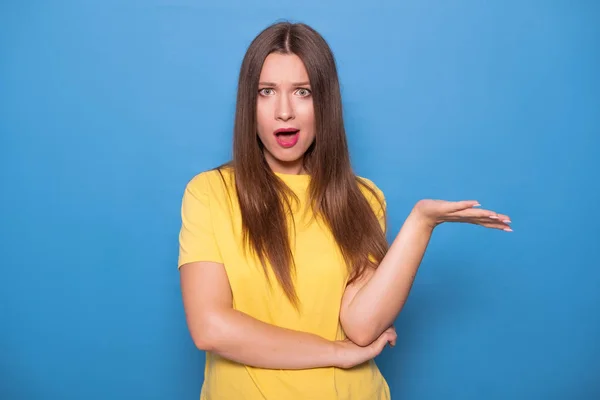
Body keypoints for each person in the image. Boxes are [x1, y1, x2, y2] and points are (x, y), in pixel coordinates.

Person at [177, 21, 511, 400]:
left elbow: (362, 326)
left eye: (302, 92)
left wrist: (421, 223)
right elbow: (210, 327)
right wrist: (335, 352)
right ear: (247, 103)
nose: (283, 111)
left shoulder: (363, 198)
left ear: (325, 101)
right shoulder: (210, 193)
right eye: (266, 92)